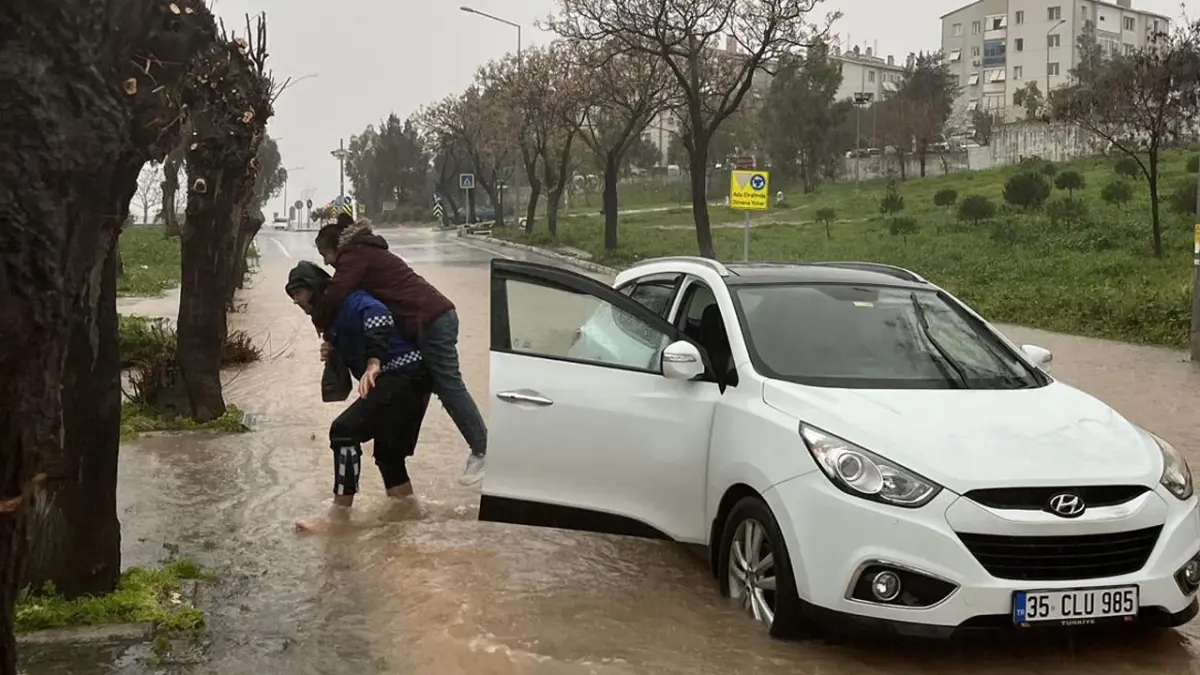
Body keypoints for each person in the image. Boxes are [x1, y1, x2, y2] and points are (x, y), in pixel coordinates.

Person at [311, 215, 487, 486]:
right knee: (439, 384)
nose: (326, 262)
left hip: (432, 321)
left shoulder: (355, 256)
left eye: (325, 254)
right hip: (432, 320)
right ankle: (480, 449)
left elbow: (335, 294)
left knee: (449, 385)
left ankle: (483, 449)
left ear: (337, 247)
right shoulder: (366, 251)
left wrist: (319, 319)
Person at [285, 261, 433, 532]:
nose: (299, 303)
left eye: (301, 295)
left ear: (318, 290)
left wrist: (374, 361)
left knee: (343, 431)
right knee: (388, 455)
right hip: (413, 379)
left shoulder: (352, 302)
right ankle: (409, 514)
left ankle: (339, 516)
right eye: (294, 297)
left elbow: (380, 316)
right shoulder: (333, 319)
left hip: (403, 376)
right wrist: (334, 353)